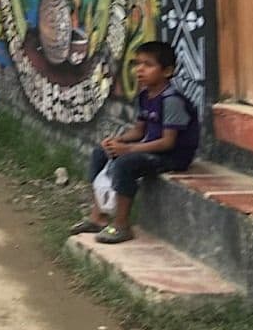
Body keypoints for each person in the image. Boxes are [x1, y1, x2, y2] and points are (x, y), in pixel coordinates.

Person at [69, 41, 200, 244]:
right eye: (137, 64)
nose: (140, 69)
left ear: (167, 71)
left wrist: (128, 149)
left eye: (148, 65)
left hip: (173, 156)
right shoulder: (145, 96)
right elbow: (139, 130)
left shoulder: (171, 100)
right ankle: (98, 217)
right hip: (152, 149)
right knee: (99, 153)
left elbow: (167, 143)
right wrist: (117, 141)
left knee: (125, 163)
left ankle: (122, 225)